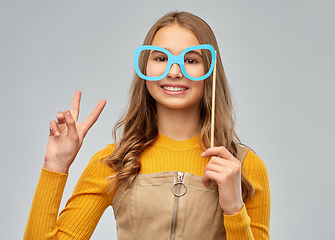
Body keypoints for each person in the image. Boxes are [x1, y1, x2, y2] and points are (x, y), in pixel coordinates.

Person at [24, 11, 270, 240]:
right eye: (161, 58)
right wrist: (55, 167)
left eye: (191, 59)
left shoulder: (244, 167)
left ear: (210, 71)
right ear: (145, 68)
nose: (174, 71)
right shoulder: (115, 162)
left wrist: (234, 209)